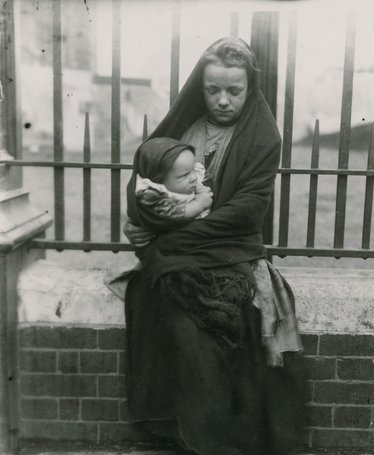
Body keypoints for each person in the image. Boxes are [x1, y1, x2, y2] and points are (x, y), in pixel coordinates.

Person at [123, 37, 305, 455]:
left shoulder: (263, 135)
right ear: (199, 87)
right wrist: (140, 221)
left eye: (234, 91)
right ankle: (178, 430)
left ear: (250, 88)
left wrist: (167, 234)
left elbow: (248, 210)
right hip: (176, 256)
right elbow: (141, 181)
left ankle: (216, 439)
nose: (222, 100)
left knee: (217, 323)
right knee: (164, 307)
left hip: (232, 251)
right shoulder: (183, 126)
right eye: (212, 90)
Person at [133, 137, 213, 220]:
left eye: (193, 169)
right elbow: (171, 213)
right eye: (185, 175)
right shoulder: (150, 194)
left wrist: (202, 192)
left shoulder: (191, 182)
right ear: (158, 180)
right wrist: (200, 204)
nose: (194, 177)